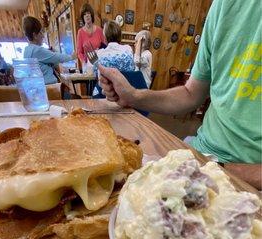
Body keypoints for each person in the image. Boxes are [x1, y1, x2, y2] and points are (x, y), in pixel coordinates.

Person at [99, 0, 262, 190]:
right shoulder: (224, 5)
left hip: (245, 179)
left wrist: (225, 170)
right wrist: (134, 96)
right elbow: (191, 93)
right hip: (203, 152)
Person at [23, 16, 76, 85]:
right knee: (74, 95)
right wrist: (72, 56)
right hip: (50, 89)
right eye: (41, 32)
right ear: (35, 35)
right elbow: (56, 57)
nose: (43, 36)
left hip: (43, 88)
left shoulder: (27, 50)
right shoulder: (37, 50)